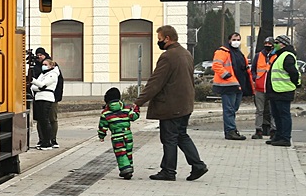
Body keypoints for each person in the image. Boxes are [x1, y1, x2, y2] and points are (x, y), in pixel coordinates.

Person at [135, 25, 208, 181]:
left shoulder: (169, 56)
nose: (159, 42)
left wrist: (138, 102)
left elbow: (155, 82)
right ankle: (198, 165)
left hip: (171, 104)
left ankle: (169, 171)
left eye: (160, 39)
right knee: (181, 135)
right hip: (185, 104)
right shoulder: (186, 53)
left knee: (169, 138)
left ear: (167, 38)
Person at [212, 31, 253, 140]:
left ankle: (231, 129)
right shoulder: (222, 52)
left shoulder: (239, 53)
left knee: (234, 108)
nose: (236, 42)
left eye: (238, 39)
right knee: (229, 109)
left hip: (238, 85)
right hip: (228, 85)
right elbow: (216, 65)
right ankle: (230, 130)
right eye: (234, 39)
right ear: (229, 40)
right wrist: (227, 75)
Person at [265, 35, 300, 147]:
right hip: (276, 91)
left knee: (283, 115)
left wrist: (294, 84)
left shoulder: (287, 56)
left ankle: (285, 138)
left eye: (276, 42)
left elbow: (293, 73)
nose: (274, 44)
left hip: (283, 91)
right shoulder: (279, 56)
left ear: (282, 44)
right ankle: (278, 136)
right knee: (277, 115)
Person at [98, 87, 139, 179]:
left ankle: (125, 169)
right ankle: (129, 167)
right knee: (128, 152)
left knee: (121, 153)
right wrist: (137, 109)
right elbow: (134, 117)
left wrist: (101, 135)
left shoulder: (105, 113)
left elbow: (102, 126)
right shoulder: (126, 109)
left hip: (117, 136)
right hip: (128, 134)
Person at [30, 58, 59, 149]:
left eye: (46, 64)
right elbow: (34, 87)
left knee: (45, 120)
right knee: (41, 120)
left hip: (46, 98)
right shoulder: (43, 74)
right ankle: (43, 140)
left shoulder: (53, 74)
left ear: (51, 65)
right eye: (43, 64)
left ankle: (47, 142)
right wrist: (38, 85)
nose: (44, 66)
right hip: (39, 97)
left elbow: (42, 85)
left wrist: (33, 80)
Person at [250, 37, 276, 140]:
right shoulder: (258, 56)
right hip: (260, 87)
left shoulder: (276, 56)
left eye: (270, 43)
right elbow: (253, 70)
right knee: (259, 110)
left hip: (272, 88)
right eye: (266, 43)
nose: (267, 45)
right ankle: (258, 130)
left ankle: (273, 130)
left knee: (273, 111)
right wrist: (255, 78)